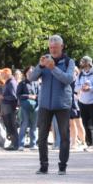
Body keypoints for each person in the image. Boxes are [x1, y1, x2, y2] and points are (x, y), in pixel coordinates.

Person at [29, 34, 77, 175]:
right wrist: (40, 66)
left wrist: (53, 68)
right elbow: (31, 77)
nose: (53, 50)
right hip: (45, 104)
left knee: (64, 136)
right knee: (42, 137)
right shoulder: (45, 59)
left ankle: (62, 166)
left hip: (62, 104)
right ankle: (43, 166)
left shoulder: (69, 62)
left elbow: (68, 79)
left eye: (55, 47)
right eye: (51, 47)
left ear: (62, 47)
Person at [17, 68, 38, 149]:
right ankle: (21, 145)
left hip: (35, 107)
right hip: (25, 106)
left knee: (34, 125)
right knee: (24, 124)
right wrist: (28, 96)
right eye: (29, 72)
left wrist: (36, 98)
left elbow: (40, 94)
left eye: (32, 72)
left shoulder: (36, 83)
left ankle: (33, 144)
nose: (30, 73)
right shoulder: (22, 83)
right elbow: (18, 95)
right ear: (25, 73)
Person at [0, 68, 19, 150]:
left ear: (7, 74)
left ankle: (15, 144)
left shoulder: (11, 83)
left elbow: (14, 96)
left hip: (10, 107)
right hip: (6, 107)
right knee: (9, 126)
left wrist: (3, 97)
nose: (1, 75)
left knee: (12, 125)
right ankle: (13, 143)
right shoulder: (8, 82)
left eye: (2, 73)